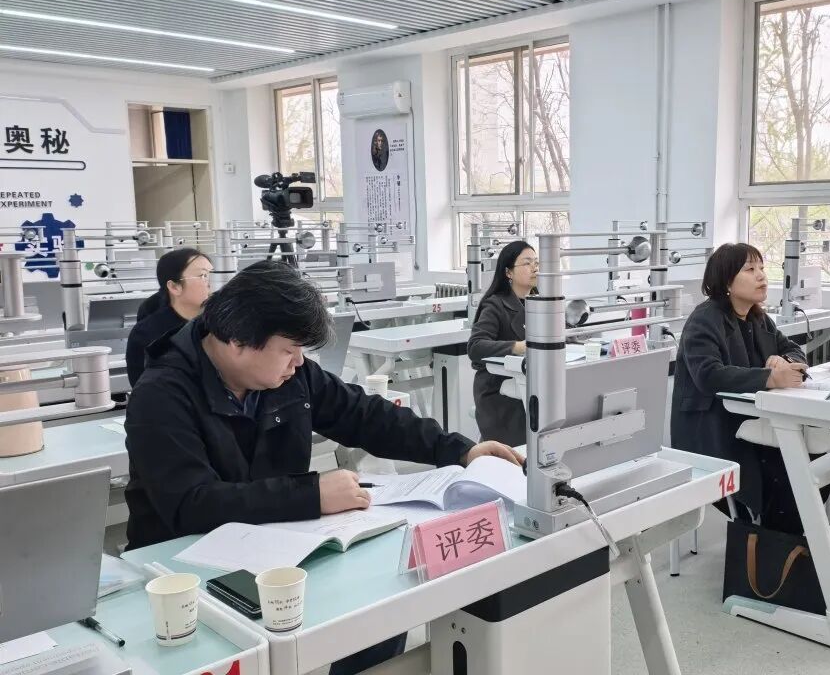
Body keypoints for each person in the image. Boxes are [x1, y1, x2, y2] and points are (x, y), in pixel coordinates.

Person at [124, 261, 523, 673]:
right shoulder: (162, 395)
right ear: (239, 340)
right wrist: (312, 495)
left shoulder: (289, 377)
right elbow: (192, 503)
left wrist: (460, 451)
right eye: (289, 351)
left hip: (278, 547)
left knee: (378, 613)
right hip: (181, 576)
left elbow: (364, 415)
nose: (298, 362)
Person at [670, 243, 810, 533]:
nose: (761, 276)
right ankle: (768, 541)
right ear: (726, 282)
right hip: (713, 427)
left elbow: (794, 350)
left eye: (762, 268)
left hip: (750, 421)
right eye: (750, 269)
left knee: (804, 463)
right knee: (784, 471)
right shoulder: (705, 319)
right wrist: (770, 378)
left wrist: (784, 361)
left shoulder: (758, 317)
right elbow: (709, 375)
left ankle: (786, 540)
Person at [466, 241, 539, 447]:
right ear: (508, 272)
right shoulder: (495, 304)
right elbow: (475, 347)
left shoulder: (541, 302)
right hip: (499, 393)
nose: (534, 268)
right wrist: (517, 347)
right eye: (527, 263)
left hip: (531, 385)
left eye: (536, 262)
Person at [125, 248, 212, 387]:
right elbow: (143, 389)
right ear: (174, 287)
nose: (210, 283)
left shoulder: (219, 324)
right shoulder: (146, 334)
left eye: (211, 274)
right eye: (203, 275)